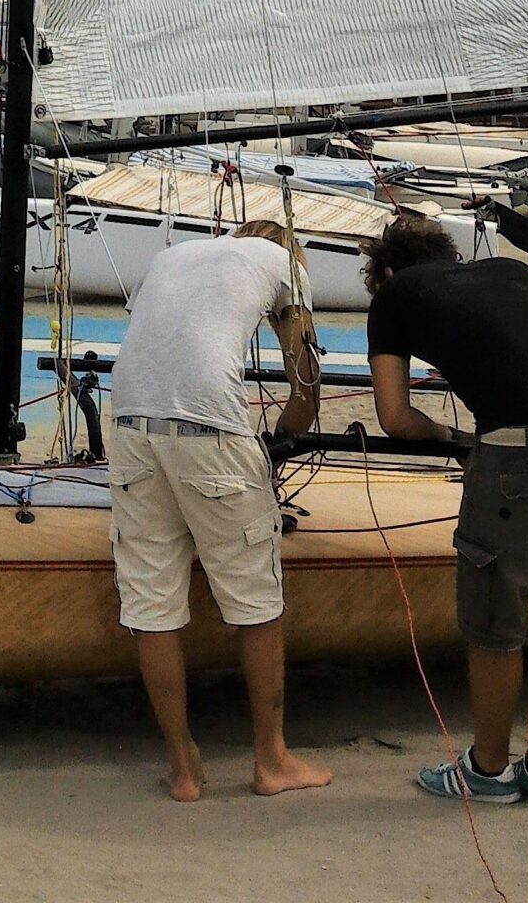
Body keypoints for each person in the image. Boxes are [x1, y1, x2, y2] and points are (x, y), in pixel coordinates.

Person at [365, 212, 528, 810]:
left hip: (520, 455)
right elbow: (520, 348)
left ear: (389, 271)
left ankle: (487, 770)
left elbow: (395, 417)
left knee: (494, 620)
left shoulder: (395, 296)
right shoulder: (511, 271)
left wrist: (453, 438)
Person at [108, 219, 332, 802]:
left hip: (129, 419)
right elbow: (306, 384)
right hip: (210, 424)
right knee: (256, 602)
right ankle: (272, 759)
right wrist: (281, 440)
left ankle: (183, 767)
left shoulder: (176, 257)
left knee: (151, 604)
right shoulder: (287, 267)